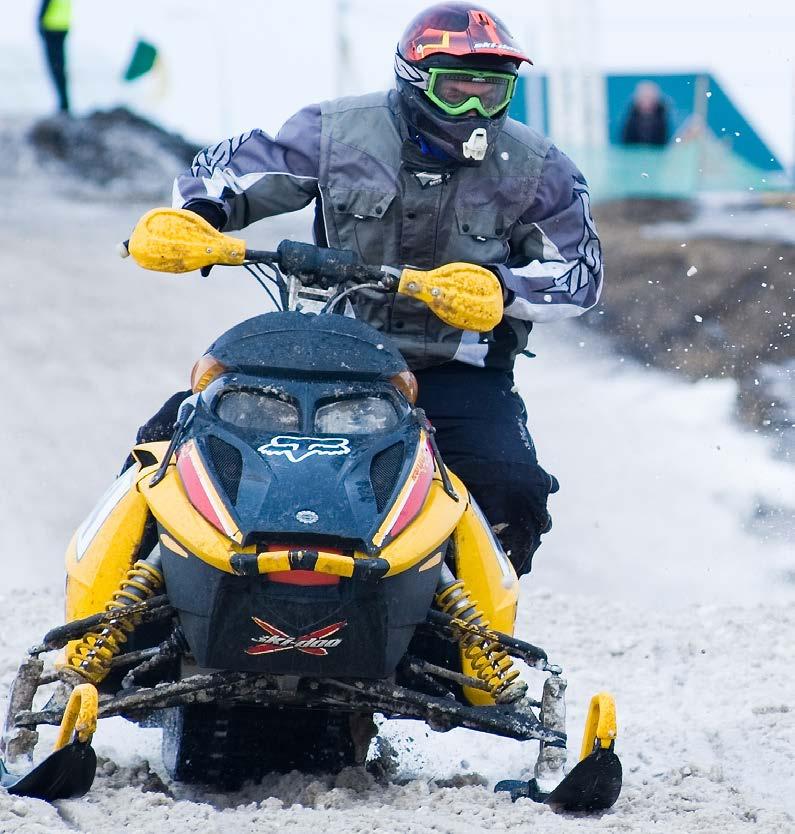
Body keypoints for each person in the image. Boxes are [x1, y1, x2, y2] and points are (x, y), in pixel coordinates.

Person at [138, 2, 603, 577]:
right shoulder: (335, 132)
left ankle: (474, 623)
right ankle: (122, 598)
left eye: (492, 91)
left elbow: (581, 272)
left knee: (512, 486)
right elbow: (233, 169)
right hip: (326, 353)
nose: (476, 109)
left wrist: (501, 289)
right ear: (413, 79)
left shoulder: (538, 166)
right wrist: (198, 215)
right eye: (457, 89)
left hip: (456, 368)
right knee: (164, 445)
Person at [38, 0, 72, 114]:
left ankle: (63, 105)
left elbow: (43, 9)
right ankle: (64, 104)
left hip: (51, 28)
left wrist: (39, 26)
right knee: (60, 67)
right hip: (63, 27)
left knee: (55, 68)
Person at [621, 81, 670, 147]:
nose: (647, 102)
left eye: (650, 98)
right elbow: (625, 140)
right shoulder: (630, 119)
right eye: (644, 97)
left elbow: (665, 140)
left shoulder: (663, 117)